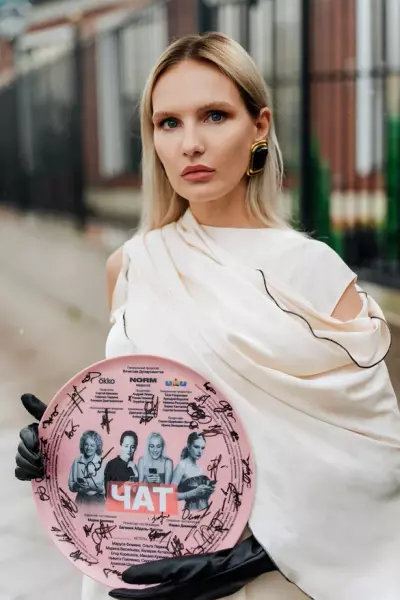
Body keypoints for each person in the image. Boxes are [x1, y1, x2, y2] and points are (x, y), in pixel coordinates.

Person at [14, 31, 400, 600]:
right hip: (145, 571)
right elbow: (141, 420)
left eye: (215, 116)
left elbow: (374, 458)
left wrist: (256, 553)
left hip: (280, 583)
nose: (190, 143)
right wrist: (64, 445)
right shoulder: (133, 266)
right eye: (168, 123)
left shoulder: (314, 273)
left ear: (259, 126)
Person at [171, 433, 214, 511]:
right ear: (188, 446)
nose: (200, 451)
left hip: (205, 511)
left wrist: (207, 491)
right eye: (196, 447)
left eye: (202, 448)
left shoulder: (200, 469)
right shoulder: (181, 466)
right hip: (191, 512)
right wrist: (194, 492)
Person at [68, 430, 105, 505]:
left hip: (98, 501)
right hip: (80, 500)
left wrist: (96, 488)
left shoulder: (104, 463)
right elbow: (70, 484)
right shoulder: (76, 461)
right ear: (83, 445)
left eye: (92, 445)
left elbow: (107, 488)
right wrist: (76, 486)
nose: (88, 448)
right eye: (86, 444)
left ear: (97, 447)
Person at [103, 431, 139, 495]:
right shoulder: (111, 465)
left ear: (135, 448)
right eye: (126, 446)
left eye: (132, 447)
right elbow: (107, 494)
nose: (129, 450)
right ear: (121, 445)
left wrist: (136, 474)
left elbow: (136, 493)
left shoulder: (134, 467)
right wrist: (122, 488)